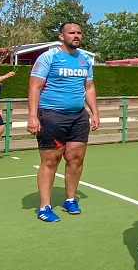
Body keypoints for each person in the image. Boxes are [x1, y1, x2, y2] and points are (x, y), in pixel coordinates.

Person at [27, 22, 99, 222]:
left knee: (75, 159)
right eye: (71, 33)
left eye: (79, 33)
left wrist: (94, 112)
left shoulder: (85, 60)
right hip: (51, 115)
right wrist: (33, 115)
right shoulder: (48, 58)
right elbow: (34, 87)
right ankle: (44, 207)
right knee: (51, 161)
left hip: (78, 117)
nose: (76, 36)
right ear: (61, 36)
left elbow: (90, 88)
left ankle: (69, 199)